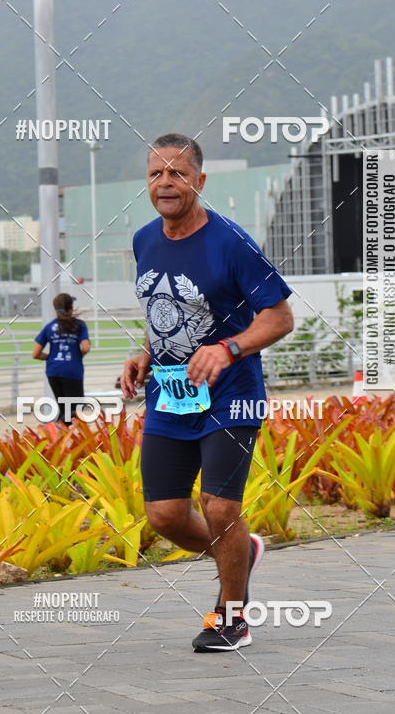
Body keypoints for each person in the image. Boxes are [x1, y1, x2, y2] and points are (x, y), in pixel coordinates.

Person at [120, 133, 294, 653]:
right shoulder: (144, 240)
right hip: (170, 395)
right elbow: (162, 309)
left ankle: (231, 615)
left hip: (230, 394)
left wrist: (230, 349)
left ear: (199, 180)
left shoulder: (231, 243)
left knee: (219, 508)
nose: (165, 183)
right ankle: (243, 552)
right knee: (165, 516)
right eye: (156, 173)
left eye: (177, 173)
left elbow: (279, 316)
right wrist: (145, 352)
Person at [32, 293, 90, 427]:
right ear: (70, 308)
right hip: (72, 371)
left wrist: (51, 357)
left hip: (53, 371)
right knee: (75, 410)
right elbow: (86, 348)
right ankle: (55, 434)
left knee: (65, 409)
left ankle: (57, 436)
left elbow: (35, 354)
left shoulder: (49, 327)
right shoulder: (79, 325)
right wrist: (75, 355)